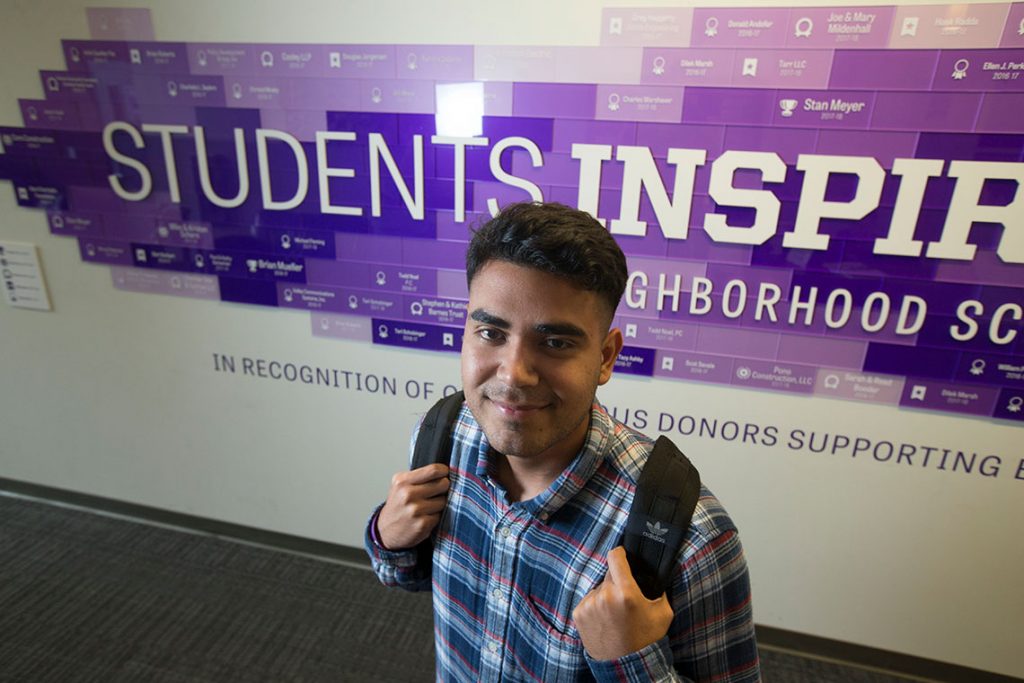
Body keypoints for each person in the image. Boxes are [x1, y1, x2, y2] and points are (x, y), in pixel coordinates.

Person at [365, 202, 760, 682]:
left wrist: (630, 663)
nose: (514, 375)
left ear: (606, 356)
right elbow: (399, 575)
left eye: (555, 343)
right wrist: (387, 537)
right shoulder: (444, 436)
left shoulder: (694, 541)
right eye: (491, 332)